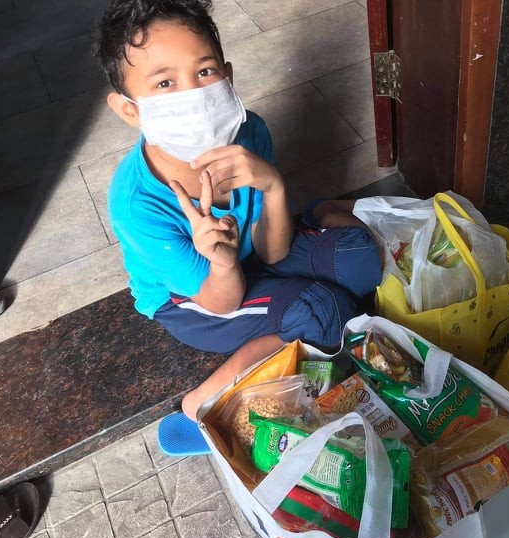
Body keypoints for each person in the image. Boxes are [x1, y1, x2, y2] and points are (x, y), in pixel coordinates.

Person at [95, 0, 382, 420]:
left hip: (253, 254)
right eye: (165, 83)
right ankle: (203, 405)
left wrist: (273, 185)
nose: (193, 95)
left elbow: (273, 252)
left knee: (364, 259)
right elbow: (221, 303)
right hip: (195, 298)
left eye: (205, 72)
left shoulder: (250, 131)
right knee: (325, 312)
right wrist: (224, 262)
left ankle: (320, 217)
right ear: (129, 110)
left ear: (227, 76)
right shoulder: (138, 203)